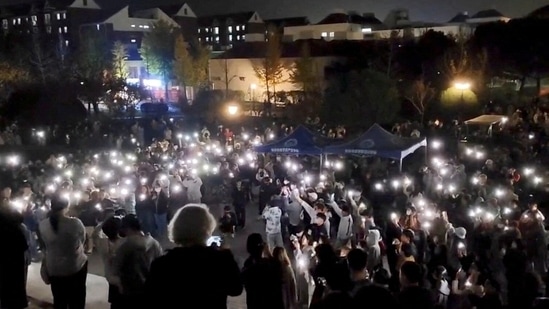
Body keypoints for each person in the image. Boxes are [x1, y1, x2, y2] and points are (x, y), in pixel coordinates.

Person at [144, 204, 243, 309]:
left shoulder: (162, 264)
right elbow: (236, 289)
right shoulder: (219, 259)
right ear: (207, 228)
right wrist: (227, 254)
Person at [38, 197, 87, 309]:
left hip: (54, 267)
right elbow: (82, 240)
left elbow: (44, 245)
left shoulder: (43, 224)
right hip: (75, 265)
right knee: (77, 298)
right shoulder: (75, 223)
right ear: (67, 207)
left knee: (59, 299)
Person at [114, 215, 162, 309]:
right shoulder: (155, 243)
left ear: (127, 228)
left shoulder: (125, 246)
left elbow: (116, 269)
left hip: (131, 291)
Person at [242, 233, 284, 309]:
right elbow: (279, 272)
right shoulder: (269, 265)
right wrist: (269, 254)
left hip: (254, 305)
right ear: (262, 247)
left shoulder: (248, 265)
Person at [0, 203, 28, 309]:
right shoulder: (18, 228)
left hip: (4, 263)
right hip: (16, 262)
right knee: (16, 287)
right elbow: (24, 245)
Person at [93, 216, 124, 309]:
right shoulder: (125, 243)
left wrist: (104, 222)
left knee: (115, 302)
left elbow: (95, 235)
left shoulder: (103, 244)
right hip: (125, 278)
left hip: (111, 277)